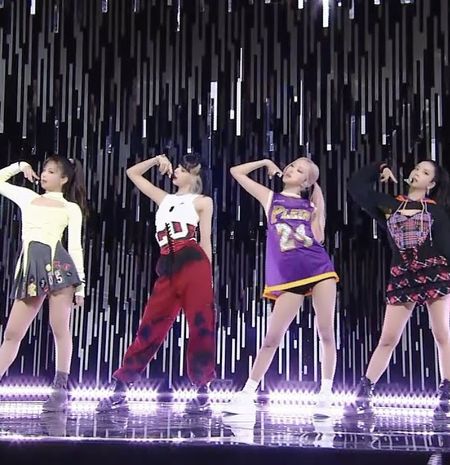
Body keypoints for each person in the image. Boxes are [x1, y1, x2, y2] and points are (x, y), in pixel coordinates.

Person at [97, 153, 216, 414]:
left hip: (193, 263)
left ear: (194, 175)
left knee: (201, 324)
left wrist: (208, 278)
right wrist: (155, 160)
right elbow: (132, 173)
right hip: (167, 265)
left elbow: (205, 240)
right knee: (150, 326)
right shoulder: (164, 198)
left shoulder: (203, 201)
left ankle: (202, 390)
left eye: (182, 169)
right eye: (177, 167)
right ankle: (121, 386)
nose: (176, 171)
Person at [223, 157, 339, 417]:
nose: (291, 170)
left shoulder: (310, 205)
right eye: (291, 166)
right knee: (271, 339)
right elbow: (236, 171)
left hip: (318, 268)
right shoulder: (271, 198)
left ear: (306, 182)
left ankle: (325, 396)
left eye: (299, 170)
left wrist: (317, 211)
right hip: (289, 276)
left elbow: (318, 238)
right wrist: (266, 162)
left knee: (326, 332)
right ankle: (247, 394)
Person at [345, 159, 450, 417]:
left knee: (442, 334)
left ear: (431, 184)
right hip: (402, 276)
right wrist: (379, 167)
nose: (417, 173)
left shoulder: (436, 211)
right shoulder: (390, 205)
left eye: (425, 172)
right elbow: (357, 187)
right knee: (388, 338)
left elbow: (446, 245)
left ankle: (447, 394)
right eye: (417, 169)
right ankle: (364, 394)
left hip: (434, 273)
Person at [0, 156, 86, 412]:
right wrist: (19, 166)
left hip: (60, 269)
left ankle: (60, 391)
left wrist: (81, 286)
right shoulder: (27, 197)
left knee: (59, 328)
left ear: (64, 179)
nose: (44, 175)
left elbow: (75, 246)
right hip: (31, 270)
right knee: (12, 334)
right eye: (43, 170)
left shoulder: (71, 208)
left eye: (51, 171)